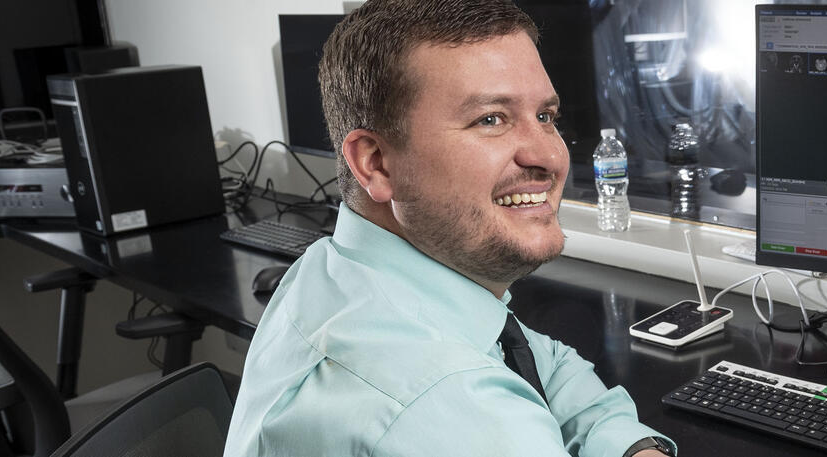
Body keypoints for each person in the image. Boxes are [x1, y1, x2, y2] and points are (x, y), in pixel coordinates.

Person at [223, 0, 674, 455]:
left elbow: (543, 363)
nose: (551, 156)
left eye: (545, 117)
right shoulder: (456, 409)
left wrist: (631, 447)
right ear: (376, 163)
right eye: (491, 119)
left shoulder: (334, 269)